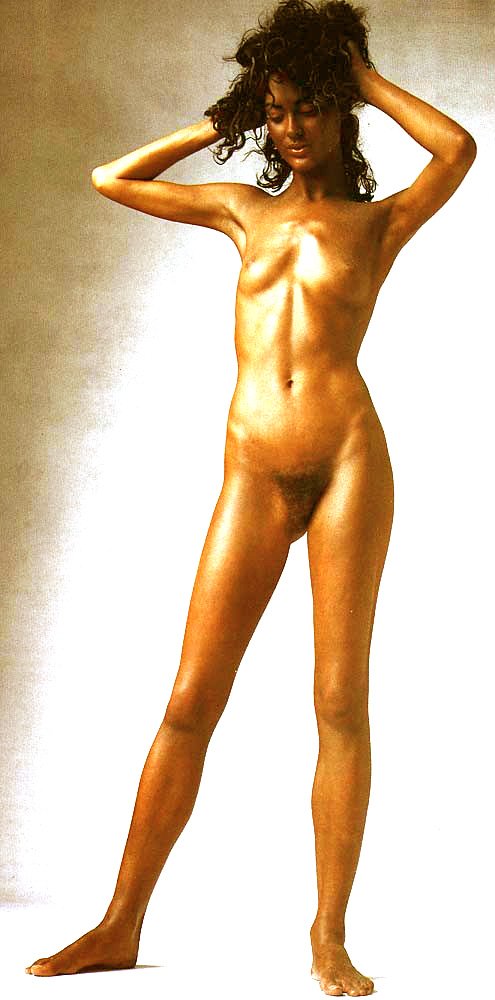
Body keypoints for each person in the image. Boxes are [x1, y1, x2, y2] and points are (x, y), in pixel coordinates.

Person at [25, 0, 476, 994]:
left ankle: (329, 937)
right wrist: (222, 119)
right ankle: (118, 922)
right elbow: (111, 178)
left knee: (338, 700)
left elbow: (456, 149)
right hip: (254, 470)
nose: (293, 128)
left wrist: (361, 77)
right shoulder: (243, 207)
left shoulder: (379, 222)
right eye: (277, 111)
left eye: (310, 107)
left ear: (341, 110)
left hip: (348, 463)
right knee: (190, 698)